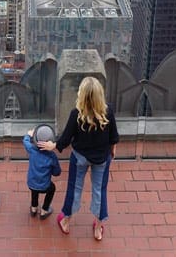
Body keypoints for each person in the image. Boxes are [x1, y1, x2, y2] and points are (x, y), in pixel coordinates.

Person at [38, 76, 119, 241]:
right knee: (99, 191)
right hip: (101, 158)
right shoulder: (108, 111)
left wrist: (53, 145)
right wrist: (112, 151)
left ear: (82, 95)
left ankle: (66, 221)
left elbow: (65, 138)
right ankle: (98, 227)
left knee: (74, 188)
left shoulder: (77, 114)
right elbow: (113, 137)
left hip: (80, 157)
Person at [23, 124, 61, 219]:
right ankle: (44, 210)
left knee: (34, 191)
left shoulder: (31, 149)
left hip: (31, 183)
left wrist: (28, 135)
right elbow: (57, 172)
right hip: (45, 185)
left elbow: (25, 141)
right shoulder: (52, 156)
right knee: (52, 189)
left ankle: (34, 209)